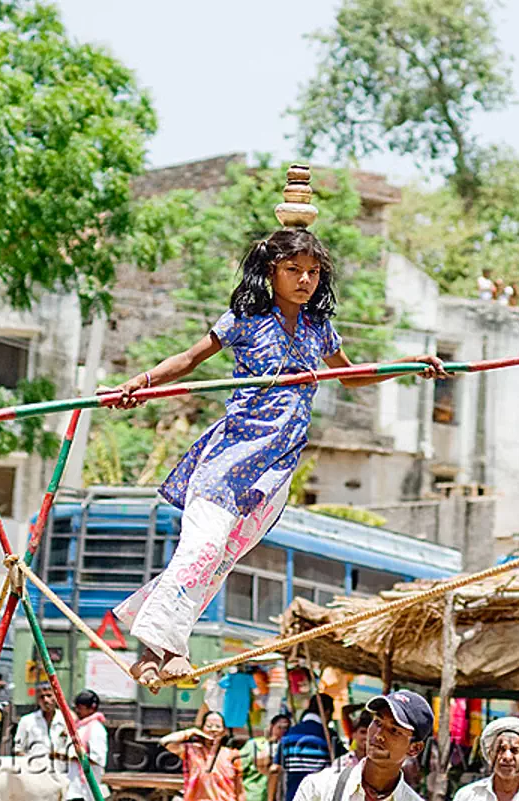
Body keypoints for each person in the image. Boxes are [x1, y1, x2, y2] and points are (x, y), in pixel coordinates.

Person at [110, 211, 450, 684]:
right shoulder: (246, 320)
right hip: (228, 459)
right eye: (293, 270)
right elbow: (189, 359)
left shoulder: (318, 330)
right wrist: (140, 383)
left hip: (274, 472)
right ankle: (166, 647)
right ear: (271, 272)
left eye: (313, 272)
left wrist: (410, 363)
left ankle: (156, 649)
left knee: (218, 560)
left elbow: (351, 377)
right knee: (201, 549)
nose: (305, 280)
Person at [292, 691, 434, 801]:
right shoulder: (319, 789)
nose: (379, 735)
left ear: (414, 748)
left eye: (394, 730)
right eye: (378, 722)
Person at [455, 717, 519, 801]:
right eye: (501, 749)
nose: (507, 757)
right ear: (490, 756)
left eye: (515, 750)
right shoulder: (468, 796)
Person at [162, 710, 246, 801]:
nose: (213, 729)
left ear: (224, 731)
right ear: (202, 729)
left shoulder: (233, 755)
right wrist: (191, 732)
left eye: (218, 726)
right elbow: (165, 742)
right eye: (209, 726)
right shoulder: (191, 751)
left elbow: (240, 790)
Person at [278, 694, 342, 801]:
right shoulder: (328, 735)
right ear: (326, 712)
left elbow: (278, 767)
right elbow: (342, 763)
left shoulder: (288, 734)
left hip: (292, 796)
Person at [60, 690, 108, 801]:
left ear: (91, 708)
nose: (77, 711)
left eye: (80, 708)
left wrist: (75, 757)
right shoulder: (80, 727)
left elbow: (98, 758)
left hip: (86, 789)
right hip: (74, 787)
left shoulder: (96, 729)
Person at [240, 714, 291, 801]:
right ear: (272, 726)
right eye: (280, 727)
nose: (283, 731)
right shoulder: (254, 744)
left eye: (286, 728)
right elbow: (239, 767)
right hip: (253, 794)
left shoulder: (288, 748)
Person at [15, 682, 66, 768]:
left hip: (60, 770)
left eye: (49, 696)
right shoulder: (27, 721)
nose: (46, 700)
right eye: (42, 697)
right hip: (34, 771)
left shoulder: (65, 720)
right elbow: (18, 749)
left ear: (56, 698)